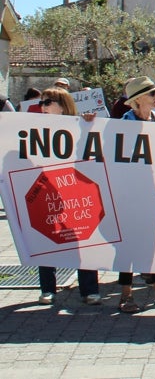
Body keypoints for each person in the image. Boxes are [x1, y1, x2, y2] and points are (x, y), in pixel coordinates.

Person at [116, 77, 155, 313]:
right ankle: (126, 294)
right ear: (137, 100)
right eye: (152, 93)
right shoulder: (123, 125)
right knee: (129, 244)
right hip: (130, 195)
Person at [34, 88, 101, 307]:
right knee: (46, 238)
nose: (43, 106)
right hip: (47, 189)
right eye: (41, 102)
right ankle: (47, 288)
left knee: (83, 240)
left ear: (62, 105)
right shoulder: (33, 126)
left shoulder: (79, 125)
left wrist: (88, 123)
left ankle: (89, 289)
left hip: (75, 189)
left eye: (48, 102)